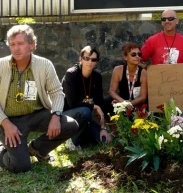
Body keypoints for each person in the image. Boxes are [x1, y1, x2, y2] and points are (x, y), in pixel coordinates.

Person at [0, 25, 78, 173]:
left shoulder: (44, 65)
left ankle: (36, 149)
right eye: (12, 44)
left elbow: (57, 92)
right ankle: (2, 150)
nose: (16, 48)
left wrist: (56, 115)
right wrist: (5, 124)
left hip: (36, 115)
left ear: (32, 45)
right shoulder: (1, 65)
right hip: (9, 120)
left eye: (21, 43)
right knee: (21, 166)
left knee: (70, 125)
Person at [62, 46, 112, 148]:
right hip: (66, 114)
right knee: (85, 111)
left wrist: (103, 128)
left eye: (93, 60)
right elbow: (72, 103)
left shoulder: (97, 77)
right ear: (80, 59)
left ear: (96, 62)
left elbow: (100, 102)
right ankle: (73, 143)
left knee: (104, 140)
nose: (89, 62)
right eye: (86, 58)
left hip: (84, 115)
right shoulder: (71, 74)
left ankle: (82, 136)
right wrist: (94, 107)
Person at [108, 42, 148, 107]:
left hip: (136, 103)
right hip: (122, 100)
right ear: (125, 57)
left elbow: (143, 97)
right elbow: (112, 91)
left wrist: (129, 104)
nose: (137, 56)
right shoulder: (118, 70)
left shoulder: (143, 72)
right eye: (133, 54)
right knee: (107, 102)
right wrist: (122, 102)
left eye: (139, 54)